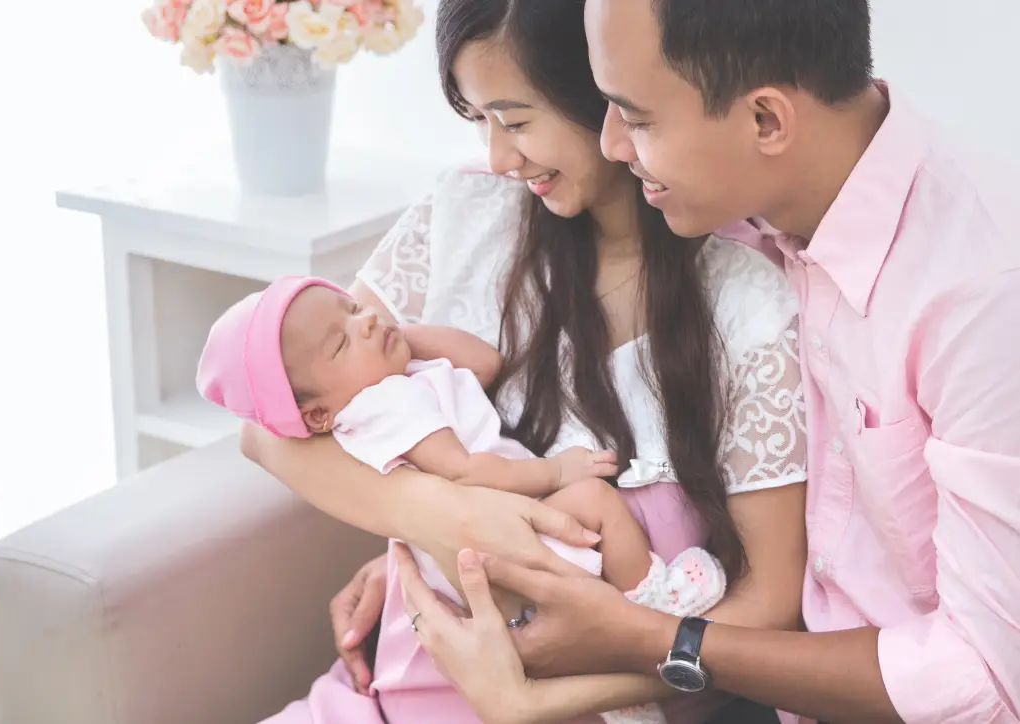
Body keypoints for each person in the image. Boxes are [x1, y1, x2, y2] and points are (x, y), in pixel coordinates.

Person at [395, 1, 1020, 723]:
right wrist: (425, 530)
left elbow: (986, 679)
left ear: (765, 121)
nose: (611, 147)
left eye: (634, 118)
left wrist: (649, 641)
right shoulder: (747, 206)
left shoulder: (978, 292)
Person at [244, 0, 808, 722]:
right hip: (393, 693)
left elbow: (770, 603)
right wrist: (440, 521)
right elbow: (267, 425)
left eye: (515, 120)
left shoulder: (744, 296)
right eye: (477, 120)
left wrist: (532, 697)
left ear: (607, 94)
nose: (497, 158)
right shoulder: (471, 217)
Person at [199, 277, 728, 724]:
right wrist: (556, 469)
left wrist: (390, 335)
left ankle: (630, 664)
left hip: (497, 530)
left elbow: (484, 362)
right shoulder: (385, 405)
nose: (364, 322)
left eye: (355, 308)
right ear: (316, 415)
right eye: (340, 343)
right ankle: (656, 605)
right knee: (595, 499)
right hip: (495, 529)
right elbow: (465, 469)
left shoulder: (399, 380)